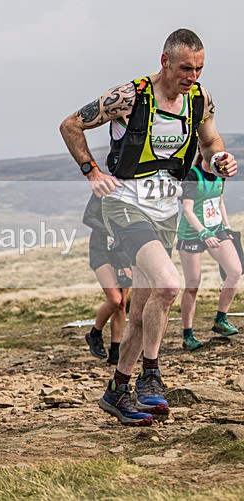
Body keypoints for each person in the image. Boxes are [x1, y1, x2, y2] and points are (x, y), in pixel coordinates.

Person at [60, 29, 237, 427]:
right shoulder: (129, 96)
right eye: (185, 68)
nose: (192, 76)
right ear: (165, 61)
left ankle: (118, 389)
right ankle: (151, 373)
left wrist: (221, 157)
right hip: (124, 205)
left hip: (166, 209)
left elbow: (210, 144)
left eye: (199, 68)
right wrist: (91, 171)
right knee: (169, 284)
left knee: (141, 309)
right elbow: (70, 125)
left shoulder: (200, 99)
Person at [177, 151, 241, 350]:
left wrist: (227, 227)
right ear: (204, 155)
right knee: (193, 284)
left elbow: (219, 201)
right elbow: (187, 210)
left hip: (217, 228)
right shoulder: (192, 176)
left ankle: (220, 320)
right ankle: (188, 335)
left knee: (235, 271)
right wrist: (203, 233)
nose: (222, 165)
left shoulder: (221, 173)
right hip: (192, 232)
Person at [82, 194, 131, 365]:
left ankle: (116, 351)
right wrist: (111, 230)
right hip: (100, 250)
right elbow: (87, 217)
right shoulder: (104, 190)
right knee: (114, 299)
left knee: (123, 302)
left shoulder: (135, 191)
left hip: (123, 252)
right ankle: (95, 334)